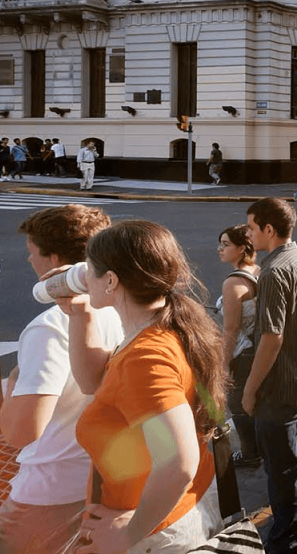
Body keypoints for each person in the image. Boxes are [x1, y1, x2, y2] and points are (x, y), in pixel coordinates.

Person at [66, 220, 226, 551]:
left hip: (156, 532)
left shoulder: (145, 357)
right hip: (176, 514)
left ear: (110, 280)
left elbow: (179, 464)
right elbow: (93, 381)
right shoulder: (164, 324)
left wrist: (127, 535)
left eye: (90, 271)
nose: (85, 280)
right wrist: (78, 315)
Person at [0, 207, 123, 554]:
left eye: (32, 253)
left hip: (50, 487)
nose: (29, 261)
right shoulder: (120, 305)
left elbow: (21, 432)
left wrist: (14, 385)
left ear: (55, 260)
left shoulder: (49, 327)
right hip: (102, 476)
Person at [243, 197, 297, 553]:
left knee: (282, 470)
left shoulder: (274, 271)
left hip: (280, 391)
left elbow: (272, 337)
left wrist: (250, 388)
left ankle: (285, 541)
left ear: (268, 229)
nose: (248, 234)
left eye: (250, 227)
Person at [216, 224, 261, 469]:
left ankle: (250, 453)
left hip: (241, 352)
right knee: (253, 400)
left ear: (241, 248)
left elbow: (230, 330)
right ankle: (259, 447)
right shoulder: (257, 270)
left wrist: (223, 365)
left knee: (238, 405)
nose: (220, 249)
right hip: (256, 347)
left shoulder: (233, 284)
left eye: (225, 244)